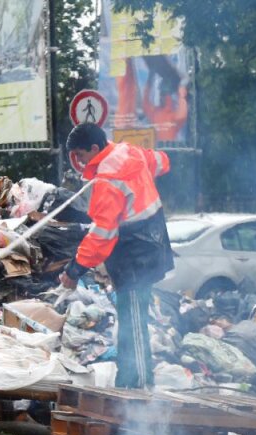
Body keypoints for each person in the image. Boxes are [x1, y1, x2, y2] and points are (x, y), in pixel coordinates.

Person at [63, 122, 174, 389]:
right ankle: (130, 381)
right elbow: (162, 162)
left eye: (81, 155)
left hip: (135, 256)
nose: (78, 162)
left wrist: (74, 270)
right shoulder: (129, 152)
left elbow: (102, 235)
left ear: (94, 147)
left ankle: (138, 387)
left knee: (133, 323)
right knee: (130, 320)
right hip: (152, 246)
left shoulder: (107, 180)